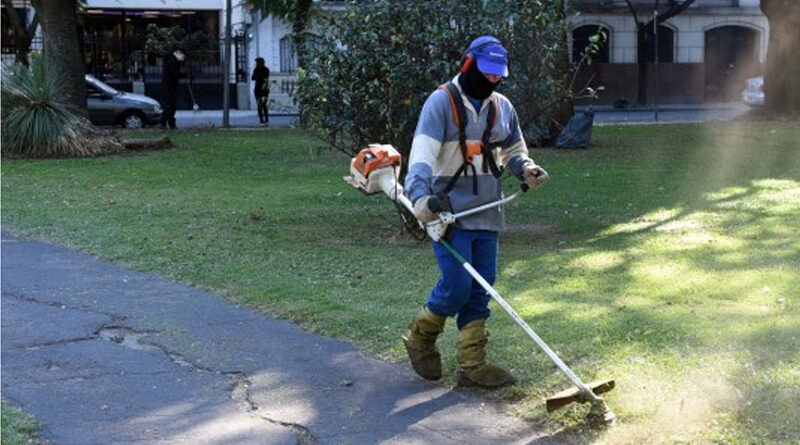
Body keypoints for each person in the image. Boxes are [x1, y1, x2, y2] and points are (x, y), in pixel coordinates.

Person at [403, 36, 549, 388]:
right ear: (467, 65)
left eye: (499, 76)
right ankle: (419, 338)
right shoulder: (440, 103)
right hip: (448, 214)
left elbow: (513, 150)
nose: (493, 81)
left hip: (488, 208)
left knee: (483, 287)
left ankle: (472, 364)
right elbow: (421, 156)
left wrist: (526, 168)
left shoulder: (502, 107)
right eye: (487, 74)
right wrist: (420, 196)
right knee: (456, 287)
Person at [160, 48, 185, 130]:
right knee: (170, 105)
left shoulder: (173, 61)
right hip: (169, 87)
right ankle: (170, 124)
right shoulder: (173, 62)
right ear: (177, 53)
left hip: (169, 86)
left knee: (169, 105)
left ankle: (164, 123)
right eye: (182, 55)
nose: (183, 57)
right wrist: (184, 75)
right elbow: (175, 74)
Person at [252, 57, 270, 125]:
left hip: (260, 89)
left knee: (260, 105)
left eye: (256, 62)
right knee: (263, 105)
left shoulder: (257, 70)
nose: (256, 64)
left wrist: (258, 76)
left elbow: (253, 78)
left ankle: (262, 120)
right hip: (263, 89)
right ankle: (265, 119)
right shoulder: (266, 69)